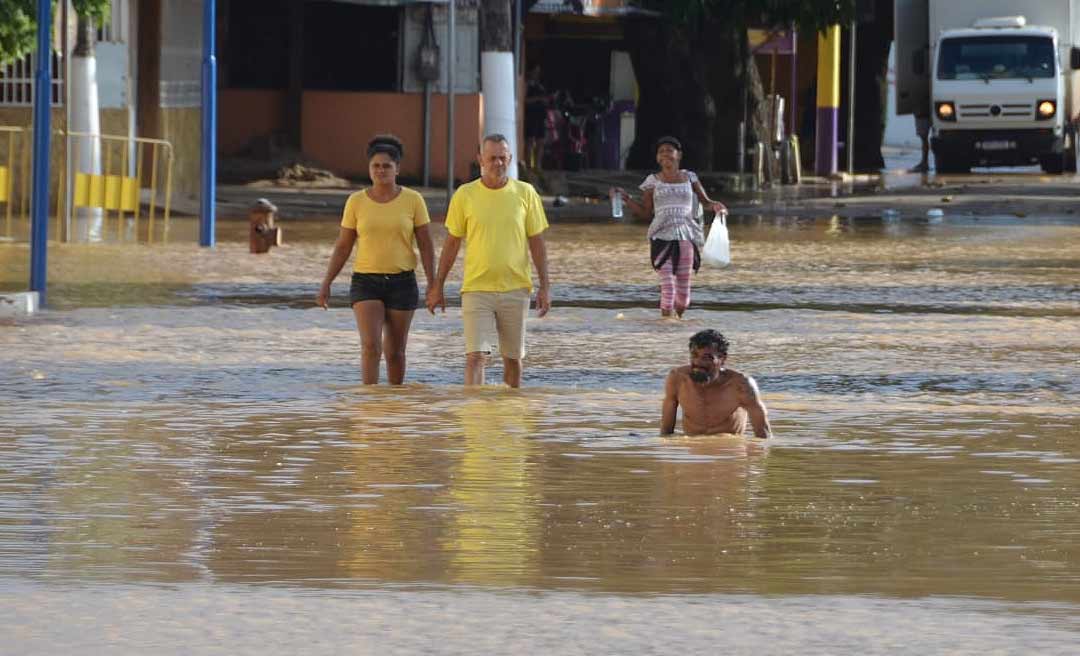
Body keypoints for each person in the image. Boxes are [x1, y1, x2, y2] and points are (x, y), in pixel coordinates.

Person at [426, 133, 551, 388]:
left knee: (513, 359)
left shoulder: (526, 193)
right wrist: (438, 285)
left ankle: (511, 414)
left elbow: (537, 243)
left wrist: (545, 286)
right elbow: (452, 243)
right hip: (476, 288)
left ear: (511, 159)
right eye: (492, 158)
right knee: (475, 356)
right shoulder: (465, 195)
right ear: (480, 159)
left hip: (516, 288)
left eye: (502, 158)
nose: (497, 163)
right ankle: (474, 415)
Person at [317, 134, 436, 385]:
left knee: (396, 353)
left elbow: (425, 244)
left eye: (387, 166)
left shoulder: (413, 200)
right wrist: (327, 281)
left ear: (397, 169)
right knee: (371, 347)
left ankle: (393, 407)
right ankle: (369, 404)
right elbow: (343, 245)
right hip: (365, 281)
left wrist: (433, 284)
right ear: (369, 169)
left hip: (402, 282)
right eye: (376, 166)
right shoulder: (356, 201)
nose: (381, 170)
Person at [616, 136, 726, 318]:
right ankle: (665, 327)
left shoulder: (690, 178)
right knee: (667, 286)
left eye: (670, 150)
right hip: (661, 237)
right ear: (657, 158)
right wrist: (627, 199)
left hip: (687, 237)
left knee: (683, 292)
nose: (665, 154)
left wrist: (717, 206)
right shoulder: (652, 181)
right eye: (661, 152)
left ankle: (678, 324)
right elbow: (645, 213)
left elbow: (706, 202)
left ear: (679, 155)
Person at [660, 329, 771, 438]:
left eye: (707, 357)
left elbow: (763, 435)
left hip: (729, 450)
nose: (698, 362)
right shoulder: (678, 379)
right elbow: (665, 433)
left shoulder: (740, 385)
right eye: (694, 355)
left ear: (722, 358)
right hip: (692, 451)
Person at [524, 64, 549, 170]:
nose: (536, 74)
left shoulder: (540, 85)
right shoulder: (527, 84)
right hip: (531, 116)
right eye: (535, 71)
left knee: (541, 141)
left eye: (538, 72)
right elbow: (526, 100)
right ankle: (529, 165)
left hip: (541, 116)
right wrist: (538, 98)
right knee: (530, 141)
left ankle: (538, 166)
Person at [912, 109, 931, 173]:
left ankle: (924, 162)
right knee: (924, 138)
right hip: (922, 113)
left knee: (923, 138)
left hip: (922, 113)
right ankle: (924, 162)